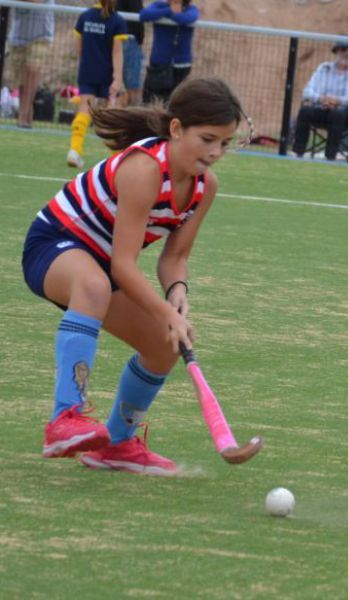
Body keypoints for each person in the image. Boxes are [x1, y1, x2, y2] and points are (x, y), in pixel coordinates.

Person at [22, 77, 245, 475]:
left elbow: (174, 258)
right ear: (177, 129)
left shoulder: (203, 186)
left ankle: (117, 444)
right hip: (54, 245)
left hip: (102, 265)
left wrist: (177, 296)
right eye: (208, 139)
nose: (215, 152)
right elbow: (123, 266)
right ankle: (64, 418)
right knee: (94, 286)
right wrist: (165, 311)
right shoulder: (143, 169)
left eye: (224, 144)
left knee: (165, 344)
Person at [68, 0, 127, 169]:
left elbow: (78, 48)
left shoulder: (85, 17)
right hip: (107, 73)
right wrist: (117, 77)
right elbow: (117, 52)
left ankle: (75, 150)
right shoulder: (117, 20)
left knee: (84, 110)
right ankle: (116, 157)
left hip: (87, 71)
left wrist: (86, 63)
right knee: (110, 114)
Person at [291, 41, 348, 161]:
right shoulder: (323, 68)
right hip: (323, 110)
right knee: (305, 110)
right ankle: (297, 153)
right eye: (344, 49)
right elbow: (307, 92)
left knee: (337, 113)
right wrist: (321, 99)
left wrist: (339, 101)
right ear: (336, 51)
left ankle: (330, 156)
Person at [7, 0, 55, 129]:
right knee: (23, 80)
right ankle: (27, 115)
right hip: (18, 36)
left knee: (32, 70)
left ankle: (23, 115)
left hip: (41, 34)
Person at [140, 0, 199, 104]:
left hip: (181, 66)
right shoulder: (159, 5)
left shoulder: (191, 9)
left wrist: (166, 14)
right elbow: (144, 15)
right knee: (149, 101)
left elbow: (187, 19)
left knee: (176, 103)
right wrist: (169, 10)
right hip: (159, 65)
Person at [116, 0, 146, 107]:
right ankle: (130, 114)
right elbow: (138, 16)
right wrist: (140, 39)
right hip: (130, 39)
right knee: (133, 86)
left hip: (115, 37)